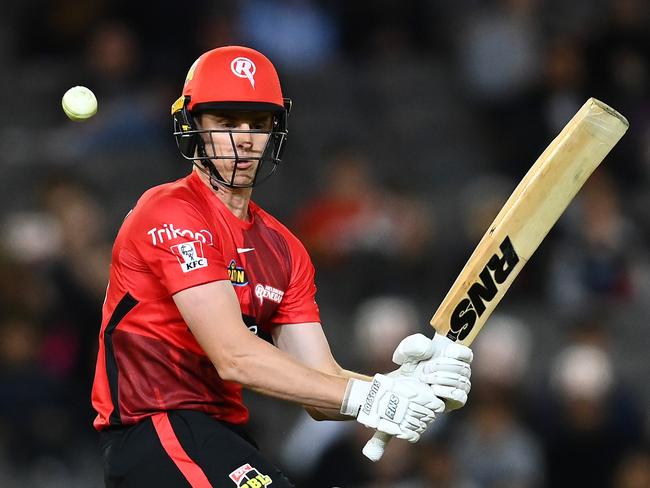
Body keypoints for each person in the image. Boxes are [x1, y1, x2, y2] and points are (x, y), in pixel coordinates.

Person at [90, 45, 473, 487]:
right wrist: (370, 396)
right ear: (192, 126)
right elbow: (234, 357)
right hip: (157, 430)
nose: (244, 138)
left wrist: (400, 385)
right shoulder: (169, 211)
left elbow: (320, 385)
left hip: (221, 437)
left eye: (258, 122)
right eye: (226, 122)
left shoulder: (285, 249)